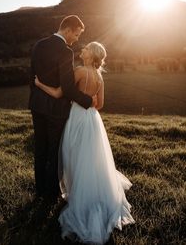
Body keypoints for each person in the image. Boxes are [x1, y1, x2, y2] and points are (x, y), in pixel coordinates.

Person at [35, 41, 135, 244]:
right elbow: (100, 105)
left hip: (78, 117)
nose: (83, 50)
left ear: (92, 55)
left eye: (86, 49)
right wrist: (88, 108)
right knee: (91, 157)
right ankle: (91, 189)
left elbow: (58, 93)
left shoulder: (79, 71)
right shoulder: (99, 77)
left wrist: (39, 84)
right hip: (93, 120)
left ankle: (77, 193)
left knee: (73, 154)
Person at [29, 15, 94, 203]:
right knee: (54, 150)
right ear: (67, 30)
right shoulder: (65, 52)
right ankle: (50, 194)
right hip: (55, 109)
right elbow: (68, 87)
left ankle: (40, 190)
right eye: (76, 34)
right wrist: (87, 100)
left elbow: (32, 77)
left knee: (40, 147)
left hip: (37, 104)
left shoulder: (38, 45)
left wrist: (37, 96)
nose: (77, 38)